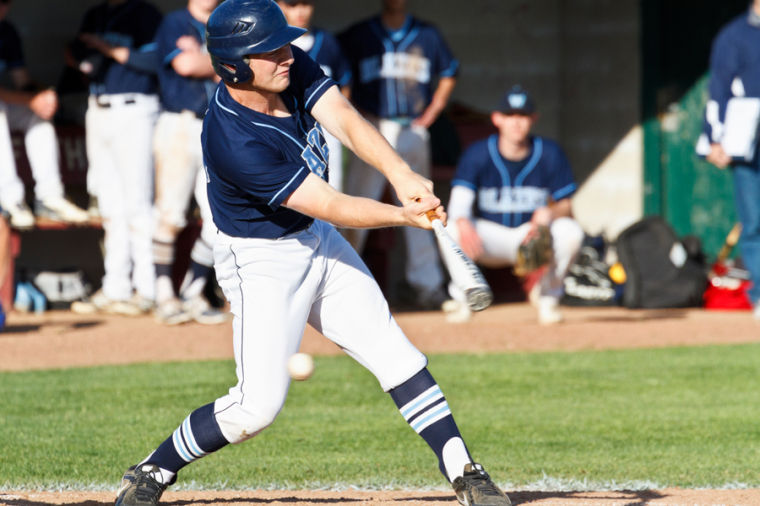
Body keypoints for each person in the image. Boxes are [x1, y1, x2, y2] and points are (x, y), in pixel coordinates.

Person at [113, 2, 511, 506]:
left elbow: (342, 117)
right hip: (262, 260)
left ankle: (465, 472)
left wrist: (401, 173)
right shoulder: (233, 139)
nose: (287, 55)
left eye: (285, 45)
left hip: (317, 239)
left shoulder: (287, 67)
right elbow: (331, 203)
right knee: (255, 409)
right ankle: (154, 468)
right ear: (234, 65)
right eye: (271, 50)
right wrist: (403, 214)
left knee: (396, 354)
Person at [338, 0, 458, 309]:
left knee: (424, 209)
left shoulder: (427, 34)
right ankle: (341, 287)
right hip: (373, 128)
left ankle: (428, 286)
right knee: (355, 208)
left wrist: (433, 112)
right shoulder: (359, 34)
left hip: (412, 128)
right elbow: (338, 73)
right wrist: (355, 115)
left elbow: (449, 72)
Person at [443, 86, 584, 325]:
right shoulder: (478, 153)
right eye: (510, 115)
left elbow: (566, 206)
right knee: (450, 228)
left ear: (533, 119)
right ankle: (466, 298)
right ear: (497, 118)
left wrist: (549, 212)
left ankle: (548, 298)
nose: (516, 122)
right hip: (488, 239)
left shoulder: (549, 152)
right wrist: (463, 223)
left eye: (523, 116)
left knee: (571, 231)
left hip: (529, 236)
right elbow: (458, 204)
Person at [67, 0, 162, 316]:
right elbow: (75, 56)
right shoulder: (95, 14)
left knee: (138, 202)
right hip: (98, 108)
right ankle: (115, 287)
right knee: (110, 204)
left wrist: (107, 49)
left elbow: (155, 62)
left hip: (135, 110)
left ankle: (147, 289)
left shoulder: (146, 14)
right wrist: (85, 55)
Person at [150, 0, 230, 325]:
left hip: (218, 126)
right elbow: (184, 65)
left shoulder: (226, 22)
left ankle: (192, 292)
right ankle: (163, 295)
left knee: (219, 220)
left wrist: (205, 59)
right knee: (170, 215)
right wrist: (224, 60)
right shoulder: (175, 22)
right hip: (179, 126)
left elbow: (242, 68)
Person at [696, 0, 760, 319]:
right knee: (754, 221)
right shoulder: (733, 36)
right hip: (748, 140)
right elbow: (718, 88)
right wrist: (713, 137)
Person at [0, 0, 89, 229]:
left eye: (6, 2)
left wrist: (44, 96)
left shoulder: (6, 31)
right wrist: (31, 100)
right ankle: (9, 199)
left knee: (37, 115)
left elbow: (22, 81)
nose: (3, 8)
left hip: (6, 103)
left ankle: (49, 197)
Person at [276, 0, 352, 192]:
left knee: (333, 192)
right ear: (280, 5)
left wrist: (339, 119)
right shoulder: (275, 44)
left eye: (306, 4)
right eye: (293, 5)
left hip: (326, 128)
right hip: (288, 127)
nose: (301, 11)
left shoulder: (328, 42)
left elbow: (345, 84)